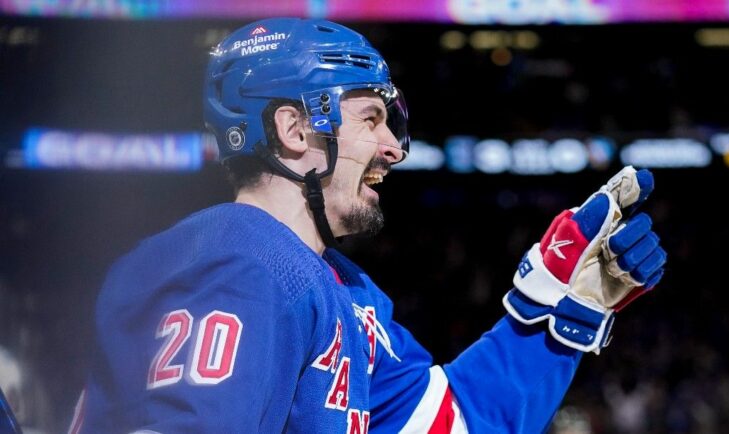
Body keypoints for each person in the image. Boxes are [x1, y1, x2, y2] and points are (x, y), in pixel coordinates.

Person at [69, 18, 666, 433]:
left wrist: (558, 309)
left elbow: (456, 425)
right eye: (371, 118)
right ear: (294, 130)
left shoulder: (347, 293)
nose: (392, 148)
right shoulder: (235, 262)